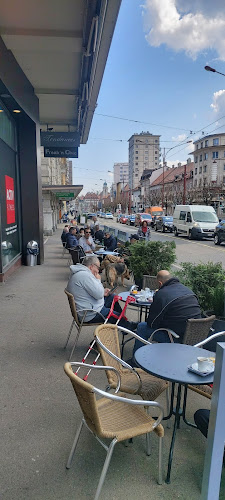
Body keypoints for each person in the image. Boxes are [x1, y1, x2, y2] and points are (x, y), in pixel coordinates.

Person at [133, 270, 201, 354]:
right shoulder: (188, 290)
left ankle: (136, 360)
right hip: (196, 338)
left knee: (142, 327)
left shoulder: (162, 294)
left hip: (176, 338)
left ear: (160, 283)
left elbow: (151, 323)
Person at [66, 255, 137, 329]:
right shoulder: (85, 276)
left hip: (87, 307)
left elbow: (92, 291)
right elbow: (99, 295)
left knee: (112, 297)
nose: (98, 271)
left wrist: (103, 291)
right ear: (91, 266)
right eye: (98, 267)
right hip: (90, 313)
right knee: (115, 314)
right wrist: (98, 280)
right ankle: (125, 324)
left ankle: (122, 322)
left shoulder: (79, 273)